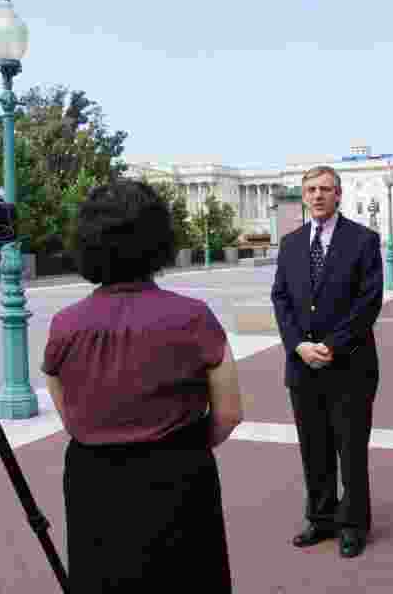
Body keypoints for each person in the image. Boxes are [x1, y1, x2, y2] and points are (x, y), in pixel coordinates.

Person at [42, 179, 243, 592]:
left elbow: (68, 413)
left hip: (94, 481)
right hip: (179, 472)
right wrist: (187, 444)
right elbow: (228, 413)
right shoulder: (193, 317)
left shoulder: (65, 324)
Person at [271, 165, 384, 559]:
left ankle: (353, 524)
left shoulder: (364, 240)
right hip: (303, 366)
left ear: (338, 195)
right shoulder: (290, 243)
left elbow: (368, 302)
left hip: (350, 365)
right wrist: (298, 345)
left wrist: (332, 346)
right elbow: (281, 299)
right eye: (311, 190)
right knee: (313, 448)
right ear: (303, 196)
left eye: (325, 189)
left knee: (350, 449)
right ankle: (320, 518)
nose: (317, 196)